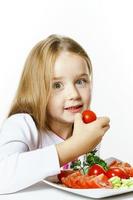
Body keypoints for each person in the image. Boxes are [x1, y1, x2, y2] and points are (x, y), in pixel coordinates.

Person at [0, 34, 110, 194]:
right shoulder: (22, 124)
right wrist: (75, 146)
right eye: (57, 85)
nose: (73, 94)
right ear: (35, 90)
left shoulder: (85, 129)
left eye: (81, 81)